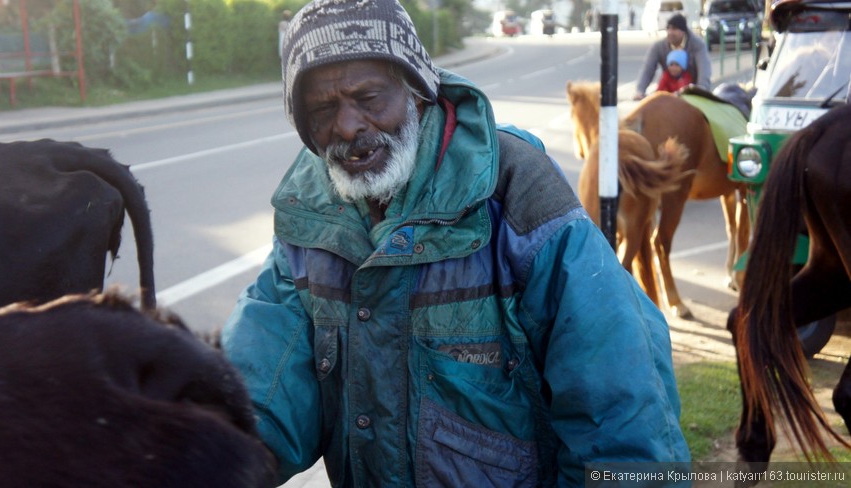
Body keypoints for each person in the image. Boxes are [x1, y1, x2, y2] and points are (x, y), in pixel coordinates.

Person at [221, 0, 691, 485]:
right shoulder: (308, 219)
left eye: (368, 97)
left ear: (418, 91)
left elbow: (622, 420)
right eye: (322, 108)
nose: (347, 126)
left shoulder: (518, 194)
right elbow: (257, 402)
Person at [634, 13, 711, 100]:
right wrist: (640, 90)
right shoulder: (659, 46)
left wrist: (702, 90)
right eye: (668, 29)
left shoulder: (697, 45)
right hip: (668, 92)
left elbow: (704, 69)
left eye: (674, 29)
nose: (670, 32)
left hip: (691, 91)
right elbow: (648, 69)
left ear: (683, 31)